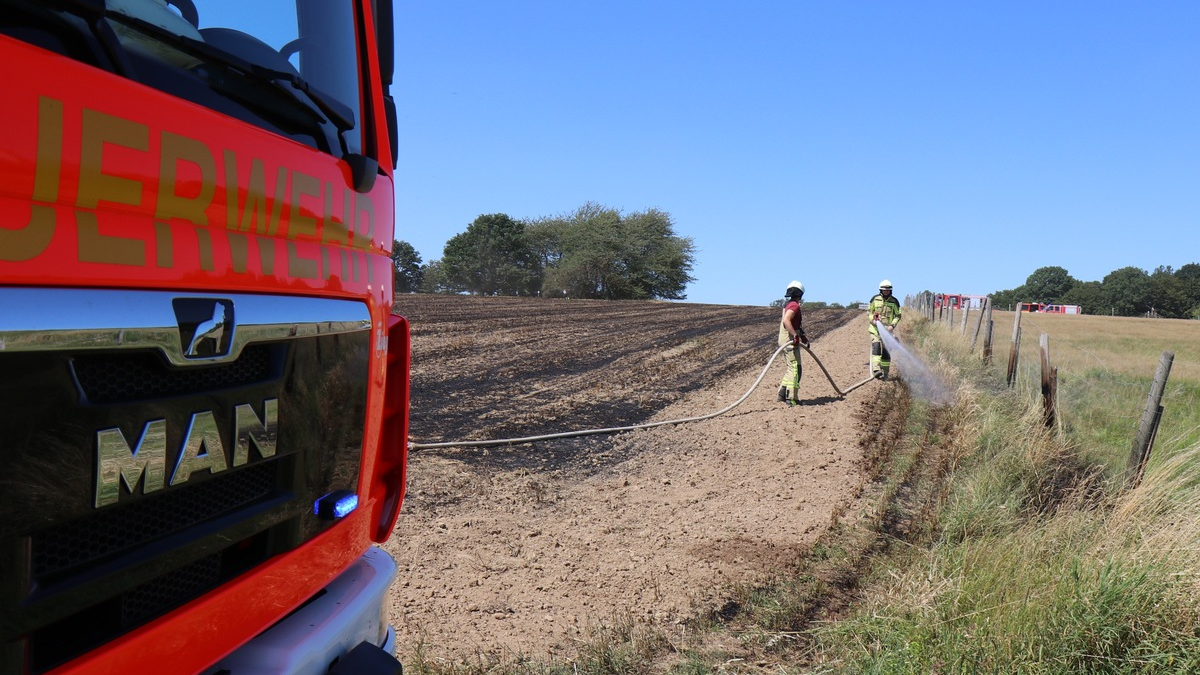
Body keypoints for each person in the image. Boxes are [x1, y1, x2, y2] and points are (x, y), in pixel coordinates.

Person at [777, 280, 810, 405]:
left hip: (787, 340)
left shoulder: (789, 304)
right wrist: (795, 335)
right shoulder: (794, 306)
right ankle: (791, 398)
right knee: (795, 368)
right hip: (789, 340)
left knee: (794, 367)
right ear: (800, 294)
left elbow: (795, 324)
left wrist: (802, 336)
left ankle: (782, 393)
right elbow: (787, 320)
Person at [867, 279, 901, 379]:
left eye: (888, 290)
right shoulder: (875, 299)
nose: (886, 291)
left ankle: (885, 372)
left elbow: (898, 315)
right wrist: (872, 320)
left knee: (886, 352)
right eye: (884, 289)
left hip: (887, 331)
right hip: (875, 330)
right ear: (880, 290)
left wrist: (892, 326)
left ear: (891, 290)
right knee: (877, 347)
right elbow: (869, 312)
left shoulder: (894, 302)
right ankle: (876, 370)